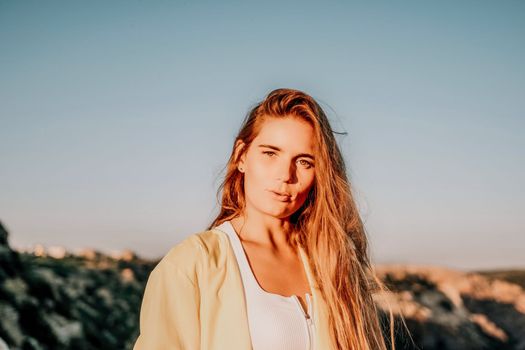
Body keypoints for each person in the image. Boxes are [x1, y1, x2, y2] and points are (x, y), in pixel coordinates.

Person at [133, 88, 394, 350]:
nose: (285, 175)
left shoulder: (333, 260)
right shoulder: (191, 265)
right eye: (270, 154)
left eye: (304, 162)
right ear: (241, 156)